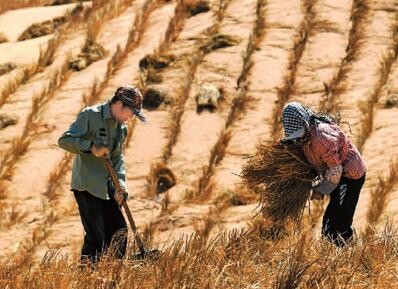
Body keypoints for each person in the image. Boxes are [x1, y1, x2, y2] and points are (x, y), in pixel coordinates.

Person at [58, 85, 147, 263]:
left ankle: (114, 273)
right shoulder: (90, 115)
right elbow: (64, 140)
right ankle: (87, 277)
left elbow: (117, 158)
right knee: (96, 237)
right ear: (120, 104)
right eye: (131, 112)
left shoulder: (121, 129)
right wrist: (91, 148)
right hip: (87, 185)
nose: (131, 117)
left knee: (119, 232)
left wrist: (120, 185)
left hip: (108, 186)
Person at [281, 102, 366, 247]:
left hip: (349, 175)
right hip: (337, 177)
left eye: (299, 135)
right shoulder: (303, 139)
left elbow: (335, 170)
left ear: (305, 123)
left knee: (337, 222)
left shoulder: (321, 138)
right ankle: (341, 248)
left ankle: (345, 252)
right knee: (331, 219)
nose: (298, 140)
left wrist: (321, 190)